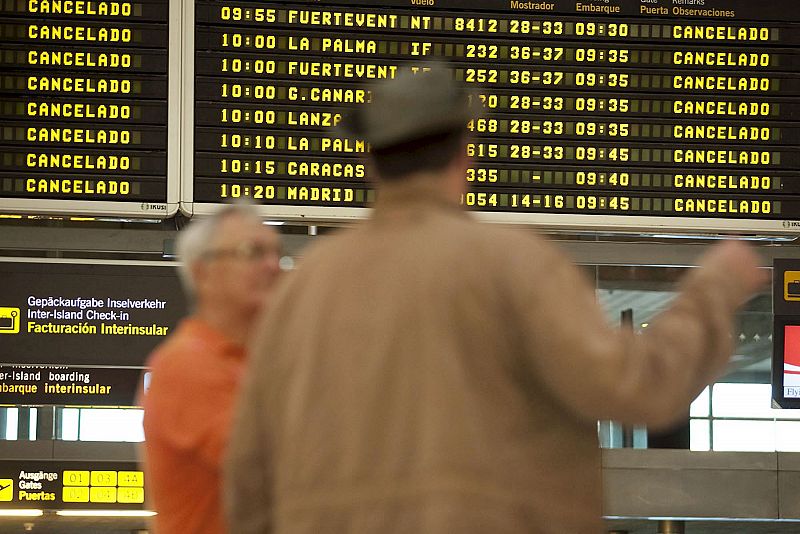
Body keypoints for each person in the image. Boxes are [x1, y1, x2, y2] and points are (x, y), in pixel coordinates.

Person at [224, 64, 766, 533]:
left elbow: (247, 475)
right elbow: (635, 388)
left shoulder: (300, 291)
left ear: (369, 164)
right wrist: (715, 288)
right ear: (465, 153)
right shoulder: (510, 264)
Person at [140, 203, 282, 534]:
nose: (273, 265)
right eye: (252, 252)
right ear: (203, 271)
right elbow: (282, 472)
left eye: (277, 252)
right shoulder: (186, 365)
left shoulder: (258, 363)